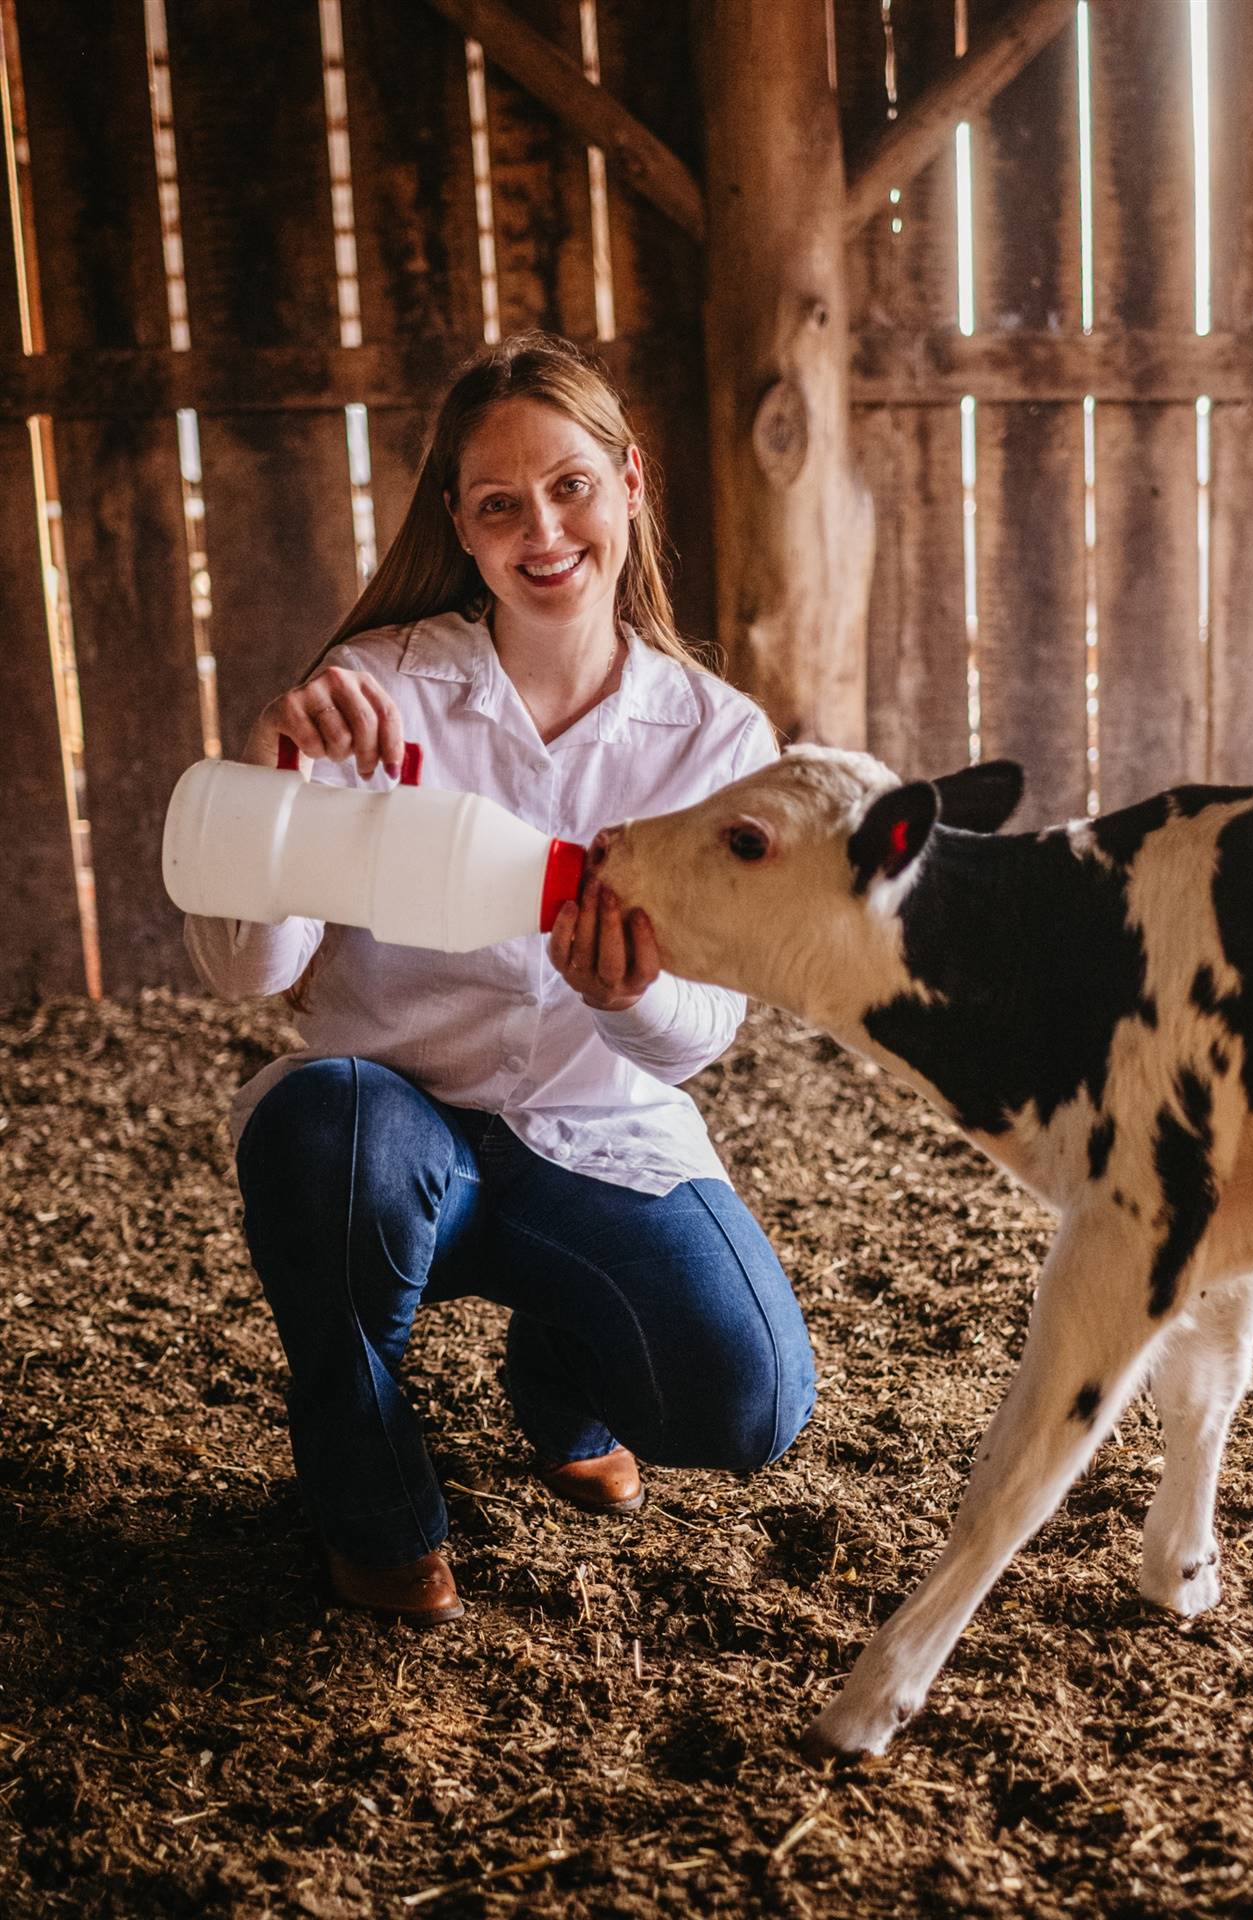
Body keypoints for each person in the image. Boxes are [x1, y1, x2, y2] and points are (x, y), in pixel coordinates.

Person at [185, 332, 817, 1627]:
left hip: (602, 1138)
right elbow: (254, 973)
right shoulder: (376, 691)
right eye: (498, 503)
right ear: (461, 529)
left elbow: (700, 1040)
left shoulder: (715, 739)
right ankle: (375, 1509)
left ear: (631, 485)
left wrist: (624, 992)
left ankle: (558, 1371)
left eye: (571, 485)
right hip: (389, 1130)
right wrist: (273, 792)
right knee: (325, 1137)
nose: (542, 530)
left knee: (745, 1402)